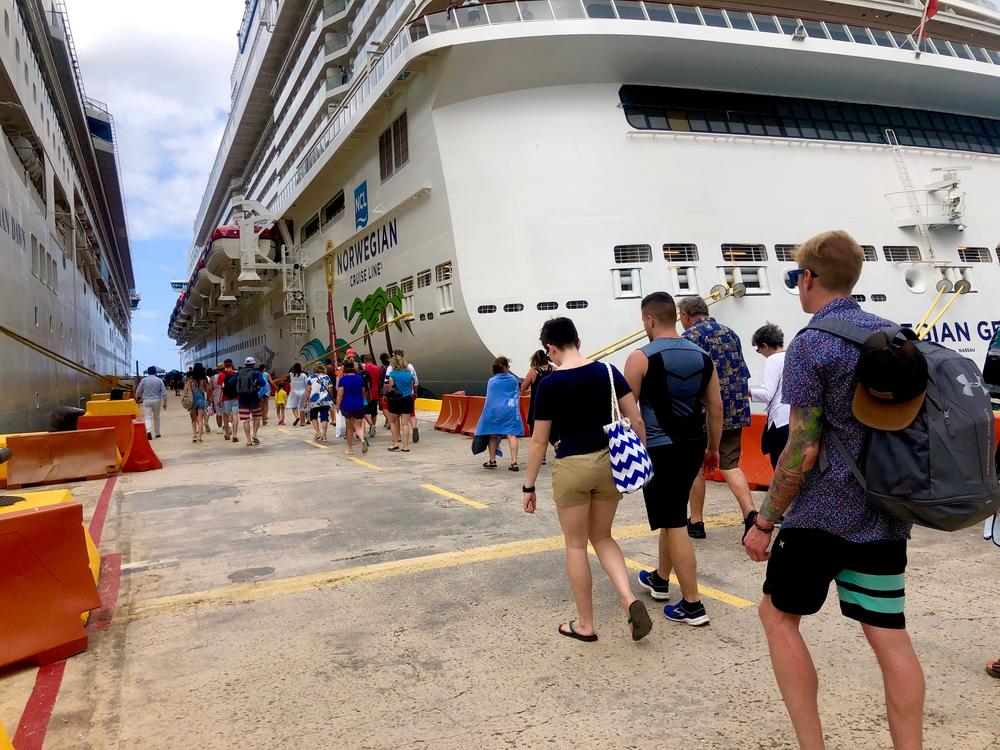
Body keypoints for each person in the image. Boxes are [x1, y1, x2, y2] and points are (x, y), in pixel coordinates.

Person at [743, 230, 924, 749]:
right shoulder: (896, 336)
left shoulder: (813, 343)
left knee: (777, 616)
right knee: (890, 638)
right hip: (886, 511)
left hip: (820, 515)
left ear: (808, 278)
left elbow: (803, 447)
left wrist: (764, 522)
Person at [524, 317, 652, 642]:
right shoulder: (608, 372)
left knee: (576, 544)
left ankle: (585, 624)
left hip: (572, 465)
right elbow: (635, 418)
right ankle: (628, 599)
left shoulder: (549, 384)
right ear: (578, 341)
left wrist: (529, 485)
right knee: (604, 536)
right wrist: (641, 457)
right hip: (609, 463)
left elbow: (539, 441)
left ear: (551, 349)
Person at [625, 292, 722, 626]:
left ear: (650, 319)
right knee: (673, 513)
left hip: (659, 447)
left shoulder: (639, 358)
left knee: (675, 521)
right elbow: (716, 407)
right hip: (694, 445)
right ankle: (660, 579)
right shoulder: (703, 356)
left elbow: (626, 412)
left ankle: (693, 604)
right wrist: (713, 449)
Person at [678, 295, 755, 538]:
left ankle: (697, 522)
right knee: (730, 465)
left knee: (694, 468)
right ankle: (750, 515)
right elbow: (742, 371)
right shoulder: (730, 333)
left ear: (687, 316)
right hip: (733, 411)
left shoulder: (690, 338)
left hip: (701, 415)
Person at [750, 323, 790, 470]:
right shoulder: (792, 355)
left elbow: (767, 394)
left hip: (779, 420)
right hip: (795, 418)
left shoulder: (773, 360)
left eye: (758, 349)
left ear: (765, 346)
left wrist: (746, 391)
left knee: (779, 466)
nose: (760, 352)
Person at [475, 356, 523, 471]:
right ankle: (514, 462)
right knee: (511, 435)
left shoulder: (492, 381)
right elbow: (517, 395)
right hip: (509, 411)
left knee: (492, 434)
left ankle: (492, 460)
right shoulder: (513, 380)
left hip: (494, 412)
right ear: (506, 367)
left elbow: (489, 400)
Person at [336, 360, 369, 455]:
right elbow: (363, 393)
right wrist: (363, 402)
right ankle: (362, 439)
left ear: (344, 369)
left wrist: (337, 406)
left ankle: (350, 448)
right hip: (359, 404)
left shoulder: (343, 380)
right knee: (358, 426)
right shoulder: (359, 379)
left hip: (347, 405)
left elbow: (340, 394)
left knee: (349, 428)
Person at [519, 349, 553, 439]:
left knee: (536, 433)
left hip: (537, 405)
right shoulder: (553, 369)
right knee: (553, 432)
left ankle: (540, 452)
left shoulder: (534, 372)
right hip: (552, 404)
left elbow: (523, 388)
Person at [385, 353, 414, 452]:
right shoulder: (409, 374)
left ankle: (395, 443)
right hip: (407, 399)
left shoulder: (392, 374)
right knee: (405, 424)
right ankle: (405, 446)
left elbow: (391, 388)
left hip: (395, 400)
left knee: (393, 422)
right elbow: (411, 387)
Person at [236, 356, 266, 446]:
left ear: (245, 364)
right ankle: (255, 435)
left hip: (242, 400)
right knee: (256, 417)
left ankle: (248, 440)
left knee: (245, 420)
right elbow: (263, 383)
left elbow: (231, 383)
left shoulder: (239, 372)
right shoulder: (256, 372)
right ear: (253, 364)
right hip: (254, 399)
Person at [393, 349, 420, 442]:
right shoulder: (410, 367)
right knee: (411, 413)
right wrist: (415, 392)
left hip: (397, 396)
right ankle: (414, 427)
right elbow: (416, 382)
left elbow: (388, 383)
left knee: (398, 417)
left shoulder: (392, 368)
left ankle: (398, 437)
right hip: (409, 394)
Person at [303, 363, 334, 441]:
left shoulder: (310, 378)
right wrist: (331, 398)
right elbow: (330, 389)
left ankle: (318, 433)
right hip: (325, 400)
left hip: (314, 400)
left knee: (313, 417)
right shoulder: (327, 377)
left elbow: (308, 390)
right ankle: (324, 435)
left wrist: (305, 401)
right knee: (324, 417)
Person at [135, 366, 167, 439]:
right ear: (155, 372)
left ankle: (148, 431)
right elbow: (164, 393)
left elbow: (138, 390)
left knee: (147, 417)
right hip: (157, 400)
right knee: (157, 417)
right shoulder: (159, 380)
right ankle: (157, 433)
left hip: (146, 400)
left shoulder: (144, 380)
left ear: (148, 372)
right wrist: (165, 402)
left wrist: (137, 397)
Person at [183, 363, 211, 442]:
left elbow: (185, 390)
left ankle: (195, 435)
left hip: (192, 402)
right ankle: (199, 437)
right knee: (200, 419)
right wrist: (209, 399)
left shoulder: (191, 380)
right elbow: (207, 390)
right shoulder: (203, 380)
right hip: (201, 401)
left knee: (193, 419)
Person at [216, 359, 239, 442]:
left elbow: (219, 389)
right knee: (235, 415)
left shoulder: (221, 375)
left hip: (225, 398)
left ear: (224, 366)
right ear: (232, 364)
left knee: (225, 416)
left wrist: (218, 399)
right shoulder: (237, 374)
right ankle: (235, 435)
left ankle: (227, 434)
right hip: (236, 397)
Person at [362, 353, 382, 438]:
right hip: (375, 393)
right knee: (374, 412)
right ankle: (373, 425)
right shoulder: (377, 368)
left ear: (365, 360)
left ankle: (370, 425)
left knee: (365, 412)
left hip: (365, 393)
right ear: (372, 360)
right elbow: (379, 379)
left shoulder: (363, 368)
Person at [378, 353, 392, 428]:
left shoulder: (381, 368)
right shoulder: (391, 367)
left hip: (382, 390)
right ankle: (387, 422)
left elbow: (380, 380)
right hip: (391, 389)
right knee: (389, 406)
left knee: (384, 408)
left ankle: (389, 421)